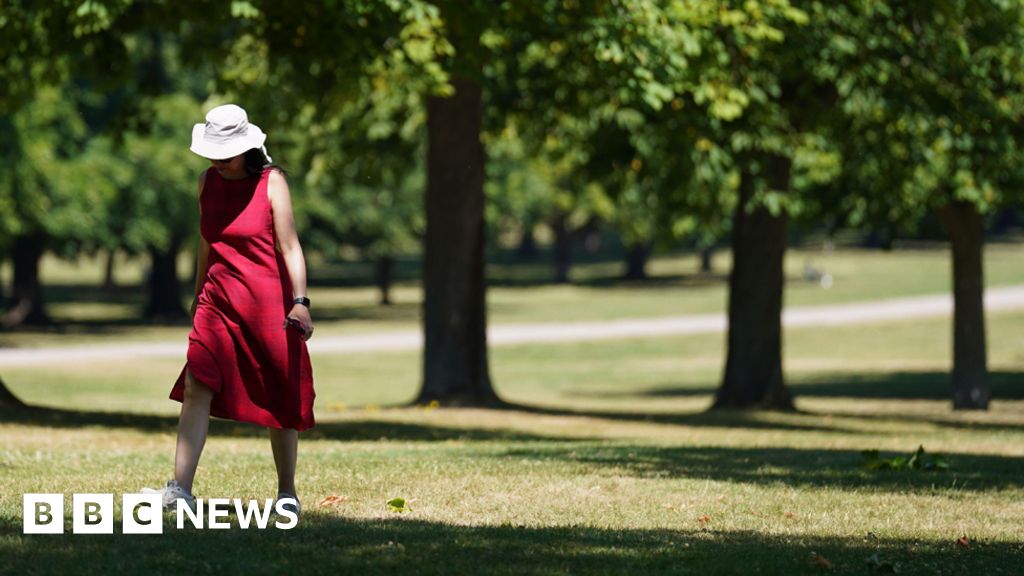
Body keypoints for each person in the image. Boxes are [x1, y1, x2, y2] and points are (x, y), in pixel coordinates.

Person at [144, 104, 316, 516]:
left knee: (280, 393)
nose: (217, 161)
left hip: (266, 304)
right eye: (213, 153)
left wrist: (301, 302)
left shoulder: (272, 183)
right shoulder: (206, 183)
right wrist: (199, 289)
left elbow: (289, 246)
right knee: (196, 384)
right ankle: (180, 488)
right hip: (216, 302)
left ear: (246, 148)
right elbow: (208, 242)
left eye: (226, 153)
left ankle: (286, 491)